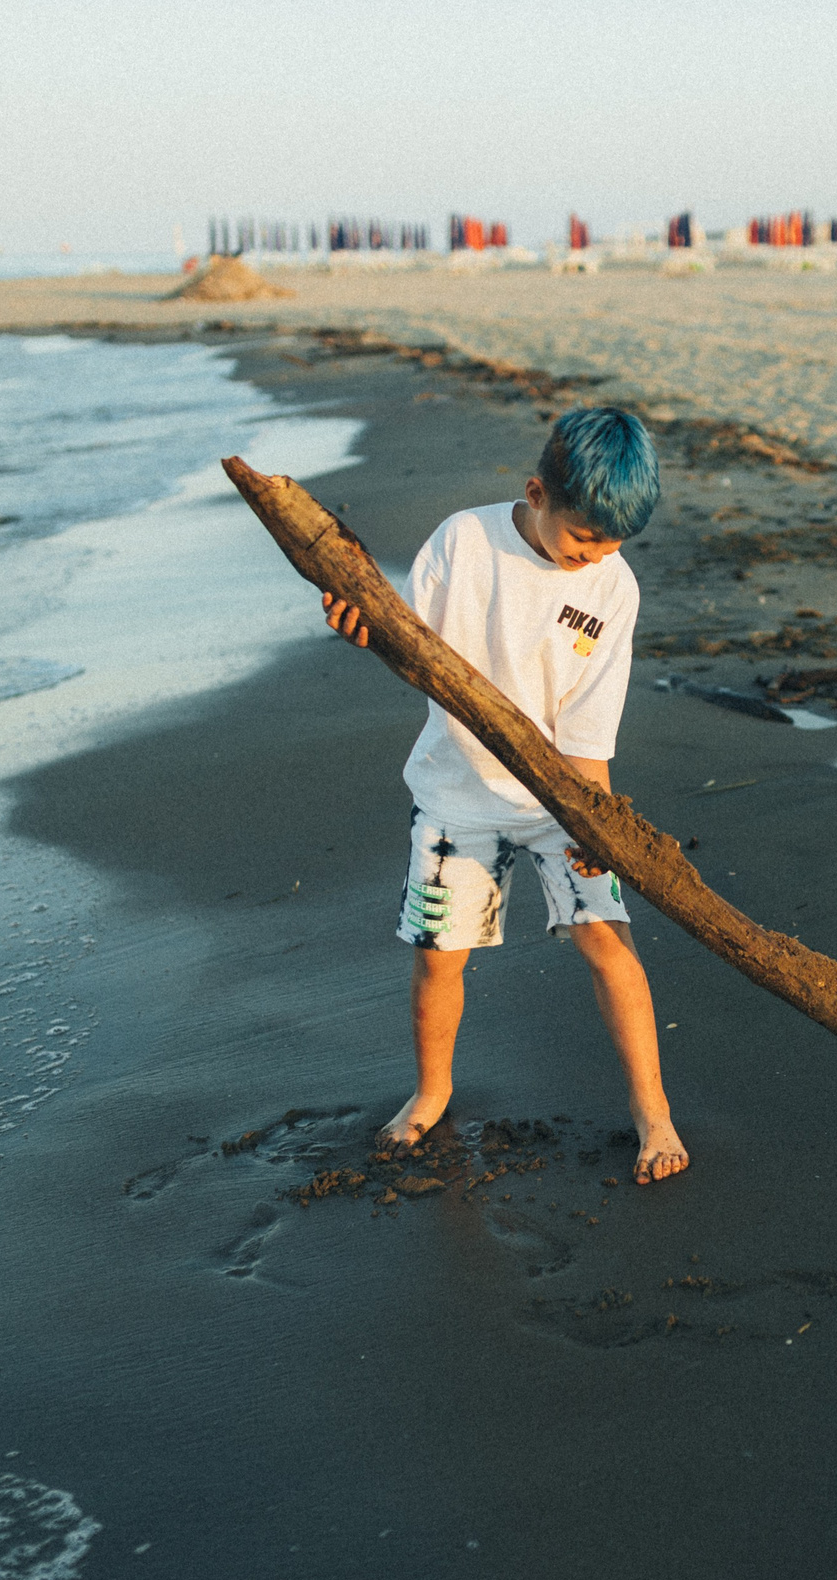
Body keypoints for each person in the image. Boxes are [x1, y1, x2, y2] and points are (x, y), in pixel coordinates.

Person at [320, 407, 688, 1185]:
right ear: (536, 493)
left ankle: (653, 1110)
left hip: (566, 799)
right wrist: (363, 626)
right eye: (583, 539)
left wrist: (595, 824)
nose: (594, 558)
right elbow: (409, 646)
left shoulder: (612, 587)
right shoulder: (463, 542)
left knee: (608, 941)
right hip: (457, 791)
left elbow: (591, 726)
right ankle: (431, 1090)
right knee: (438, 958)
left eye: (613, 545)